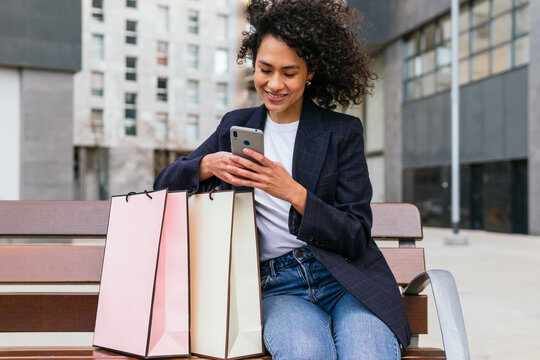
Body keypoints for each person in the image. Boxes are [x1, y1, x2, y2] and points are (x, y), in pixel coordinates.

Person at [154, 0, 411, 358]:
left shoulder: (342, 132)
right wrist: (206, 166)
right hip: (277, 287)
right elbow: (162, 186)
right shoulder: (235, 126)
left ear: (311, 72)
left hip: (346, 280)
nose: (274, 84)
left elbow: (355, 235)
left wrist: (293, 192)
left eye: (289, 72)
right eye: (265, 69)